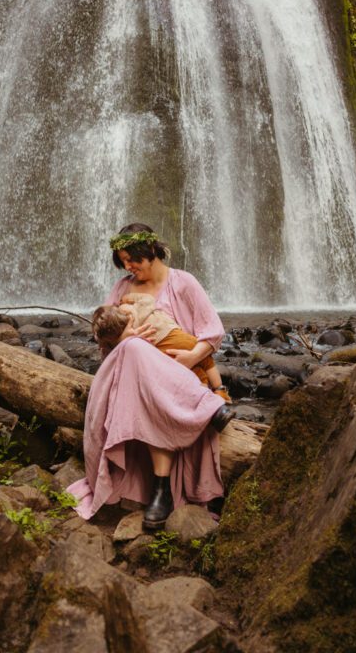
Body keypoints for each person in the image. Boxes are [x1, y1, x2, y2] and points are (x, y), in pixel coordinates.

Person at [68, 222, 235, 531]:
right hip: (132, 379)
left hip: (179, 378)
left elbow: (212, 333)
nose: (129, 267)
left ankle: (162, 489)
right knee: (132, 348)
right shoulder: (122, 289)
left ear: (152, 252)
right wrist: (126, 337)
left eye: (134, 260)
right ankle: (210, 408)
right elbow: (106, 340)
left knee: (141, 359)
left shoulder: (183, 283)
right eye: (124, 262)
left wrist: (189, 357)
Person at [91, 293, 232, 400]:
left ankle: (203, 396)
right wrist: (130, 297)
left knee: (190, 372)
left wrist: (102, 341)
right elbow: (148, 299)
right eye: (119, 307)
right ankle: (219, 390)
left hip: (161, 349)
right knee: (206, 360)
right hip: (175, 336)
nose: (120, 305)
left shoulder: (123, 335)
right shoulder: (139, 310)